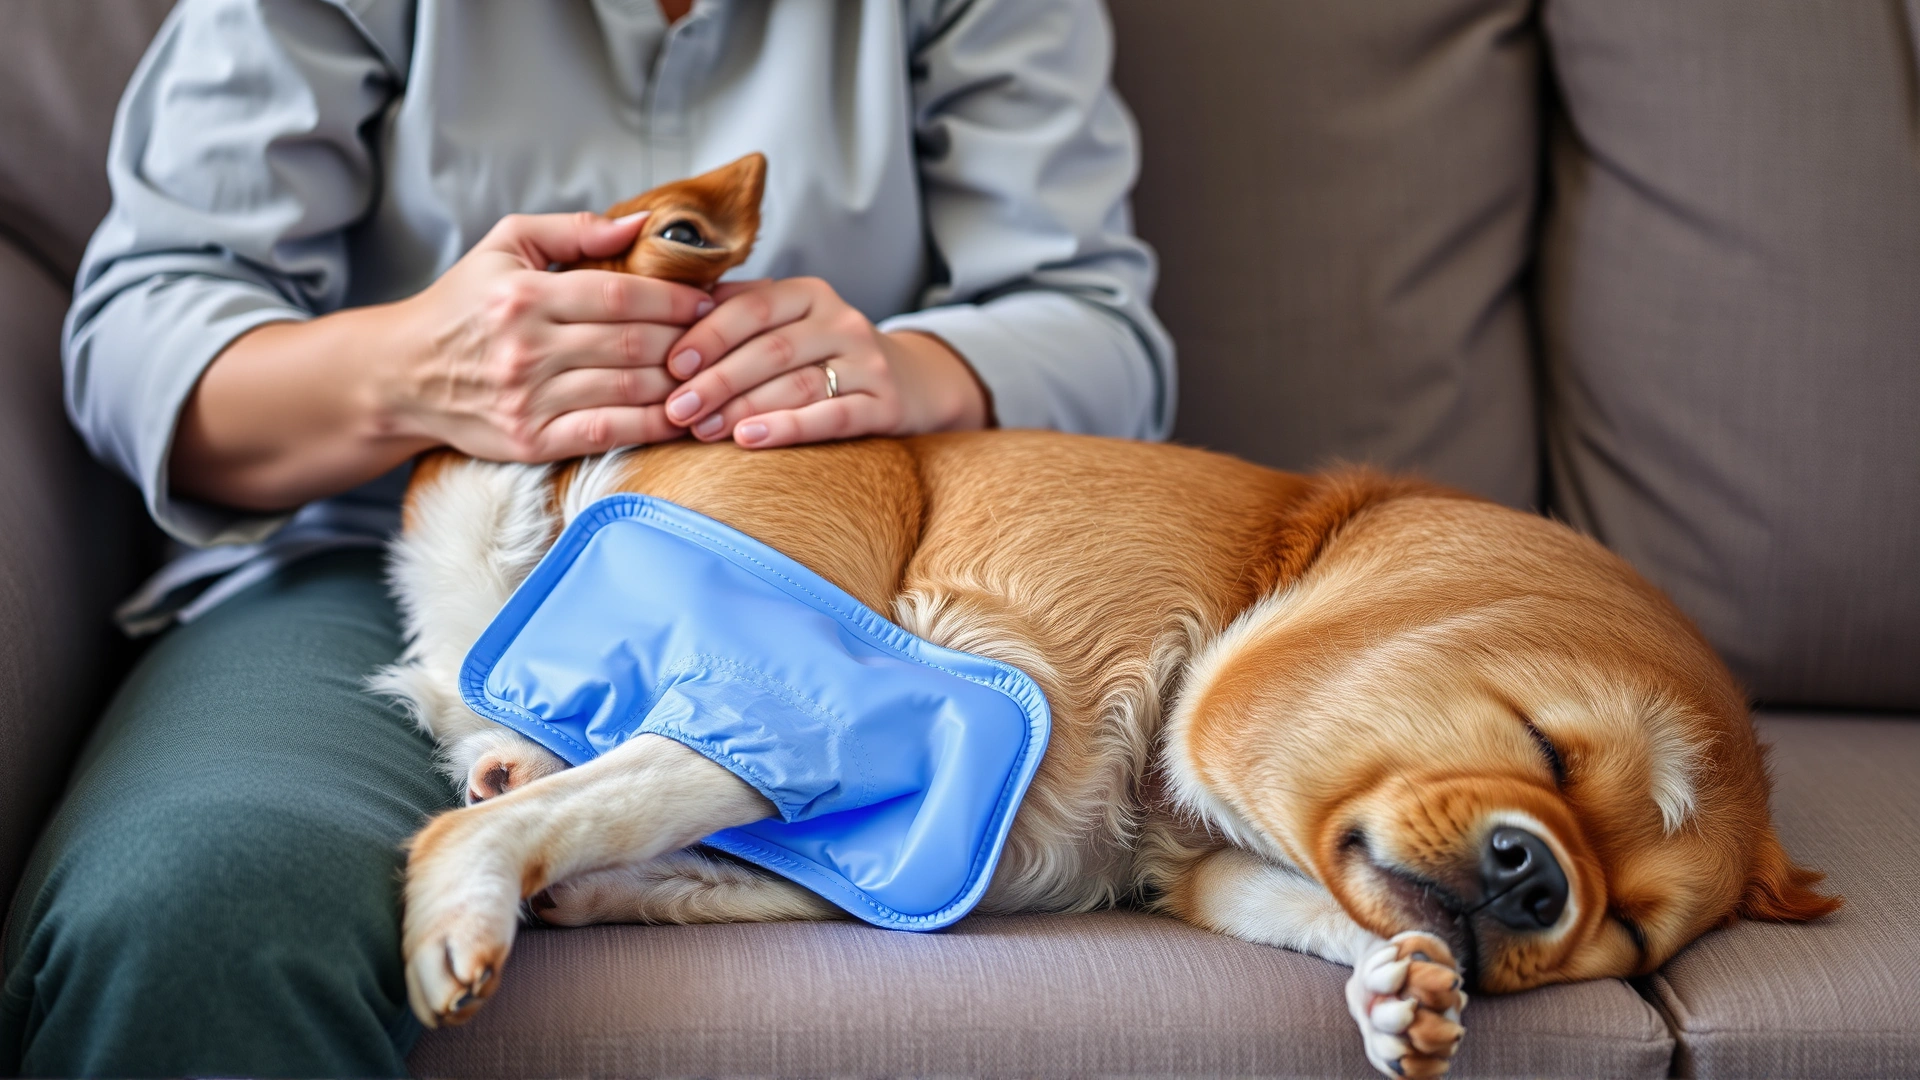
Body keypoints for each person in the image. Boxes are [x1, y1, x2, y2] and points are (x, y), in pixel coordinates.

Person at [1, 0, 1173, 1074]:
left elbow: (1098, 327)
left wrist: (904, 367)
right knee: (200, 906)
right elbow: (143, 340)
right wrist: (418, 372)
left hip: (829, 591)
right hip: (362, 565)